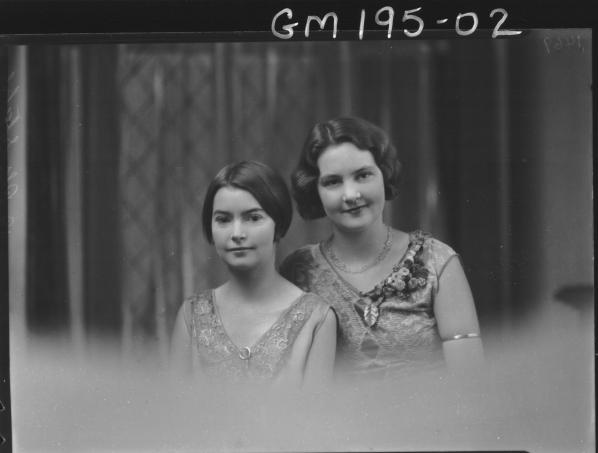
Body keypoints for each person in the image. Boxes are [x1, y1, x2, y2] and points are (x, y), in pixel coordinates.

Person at [280, 117, 483, 380]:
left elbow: (470, 385)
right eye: (333, 182)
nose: (351, 194)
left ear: (384, 175)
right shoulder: (299, 270)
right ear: (314, 190)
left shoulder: (436, 261)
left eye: (363, 175)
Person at [171, 160, 336, 388]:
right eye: (223, 220)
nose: (237, 233)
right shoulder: (191, 316)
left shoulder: (317, 318)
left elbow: (314, 420)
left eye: (253, 218)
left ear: (277, 225)